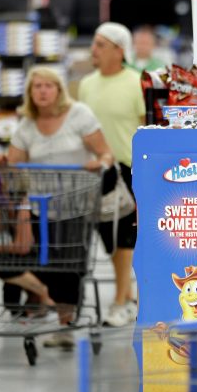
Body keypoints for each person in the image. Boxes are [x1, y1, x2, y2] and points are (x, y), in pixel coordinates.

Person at [6, 66, 114, 348]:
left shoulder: (79, 115)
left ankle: (65, 324)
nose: (42, 91)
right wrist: (6, 165)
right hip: (41, 208)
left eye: (48, 86)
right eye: (36, 86)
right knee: (48, 264)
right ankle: (54, 308)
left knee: (71, 264)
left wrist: (99, 163)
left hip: (76, 205)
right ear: (30, 93)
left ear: (59, 90)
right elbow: (14, 164)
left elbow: (105, 153)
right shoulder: (26, 124)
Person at [79, 22, 144, 327]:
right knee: (108, 240)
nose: (93, 50)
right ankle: (127, 295)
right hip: (97, 172)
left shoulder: (136, 83)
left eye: (100, 45)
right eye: (94, 43)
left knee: (125, 240)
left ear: (119, 51)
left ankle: (121, 301)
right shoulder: (87, 85)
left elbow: (147, 128)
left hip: (130, 170)